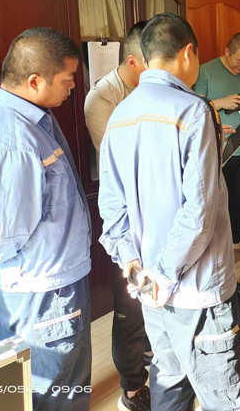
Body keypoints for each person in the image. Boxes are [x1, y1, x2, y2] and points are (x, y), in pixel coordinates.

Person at [98, 13, 240, 411]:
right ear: (189, 53)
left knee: (169, 382)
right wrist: (166, 275)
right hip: (195, 288)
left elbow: (112, 207)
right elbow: (199, 213)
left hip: (148, 287)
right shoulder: (193, 110)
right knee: (226, 394)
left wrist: (136, 267)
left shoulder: (119, 114)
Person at [0, 28, 92, 411]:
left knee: (39, 385)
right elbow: (5, 229)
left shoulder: (14, 115)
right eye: (67, 79)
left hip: (37, 282)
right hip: (45, 292)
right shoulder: (14, 139)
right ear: (35, 81)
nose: (72, 87)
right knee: (59, 392)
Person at [84, 21, 152, 411]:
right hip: (126, 218)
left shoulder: (151, 89)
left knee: (152, 299)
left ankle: (150, 354)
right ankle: (132, 388)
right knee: (129, 306)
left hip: (154, 212)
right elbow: (122, 162)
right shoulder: (101, 100)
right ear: (134, 61)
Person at [193, 33, 240, 254]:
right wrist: (221, 103)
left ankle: (238, 238)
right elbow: (195, 107)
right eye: (239, 61)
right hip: (218, 150)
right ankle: (216, 247)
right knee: (214, 201)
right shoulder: (206, 71)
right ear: (227, 52)